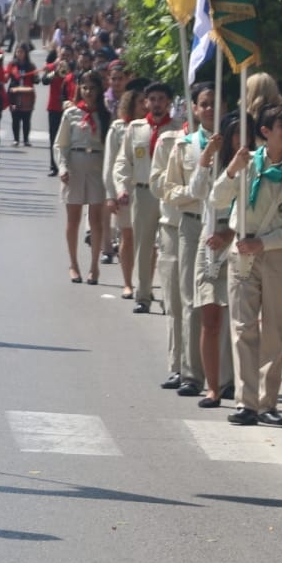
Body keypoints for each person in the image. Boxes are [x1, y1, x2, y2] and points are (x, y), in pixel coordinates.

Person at [211, 105, 282, 426]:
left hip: (277, 256)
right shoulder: (245, 163)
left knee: (274, 328)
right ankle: (246, 402)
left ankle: (269, 403)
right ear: (265, 132)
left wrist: (265, 243)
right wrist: (231, 170)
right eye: (281, 125)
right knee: (243, 328)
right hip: (243, 251)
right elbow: (217, 199)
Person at [155, 86, 214, 395]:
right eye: (204, 104)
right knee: (184, 301)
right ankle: (187, 371)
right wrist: (189, 194)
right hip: (183, 225)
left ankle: (220, 376)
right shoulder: (179, 144)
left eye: (215, 104)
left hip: (219, 230)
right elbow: (163, 187)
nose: (210, 110)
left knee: (216, 302)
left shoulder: (233, 142)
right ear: (193, 107)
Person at [113, 82, 183, 314]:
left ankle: (171, 294)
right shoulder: (136, 128)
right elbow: (123, 161)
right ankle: (143, 295)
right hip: (142, 193)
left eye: (161, 99)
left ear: (169, 103)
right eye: (152, 99)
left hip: (169, 194)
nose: (156, 103)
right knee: (143, 245)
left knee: (169, 245)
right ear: (145, 103)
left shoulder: (179, 130)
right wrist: (122, 187)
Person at [190, 116, 240, 407]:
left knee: (240, 320)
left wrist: (230, 233)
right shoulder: (215, 169)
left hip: (239, 242)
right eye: (234, 137)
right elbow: (198, 192)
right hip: (209, 243)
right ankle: (212, 388)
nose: (239, 144)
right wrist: (208, 155)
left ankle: (235, 381)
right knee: (210, 319)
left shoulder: (255, 167)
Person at [54, 71, 109, 284]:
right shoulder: (71, 114)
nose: (88, 92)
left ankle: (94, 266)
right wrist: (62, 167)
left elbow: (110, 147)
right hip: (75, 165)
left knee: (96, 219)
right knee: (73, 219)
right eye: (84, 87)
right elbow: (61, 144)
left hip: (96, 166)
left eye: (92, 88)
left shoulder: (105, 115)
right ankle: (73, 264)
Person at [105, 87, 142, 298]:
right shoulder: (119, 128)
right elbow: (111, 163)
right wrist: (111, 194)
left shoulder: (154, 128)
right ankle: (127, 282)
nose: (145, 105)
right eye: (140, 102)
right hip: (125, 190)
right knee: (127, 237)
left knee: (150, 243)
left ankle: (143, 282)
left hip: (147, 191)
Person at [4, 44, 37, 147]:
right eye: (18, 52)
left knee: (26, 118)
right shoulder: (12, 65)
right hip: (14, 94)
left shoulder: (31, 66)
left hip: (27, 94)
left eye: (22, 52)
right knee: (15, 118)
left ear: (26, 53)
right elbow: (6, 78)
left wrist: (35, 76)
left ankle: (26, 139)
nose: (19, 54)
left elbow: (36, 80)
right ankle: (16, 139)